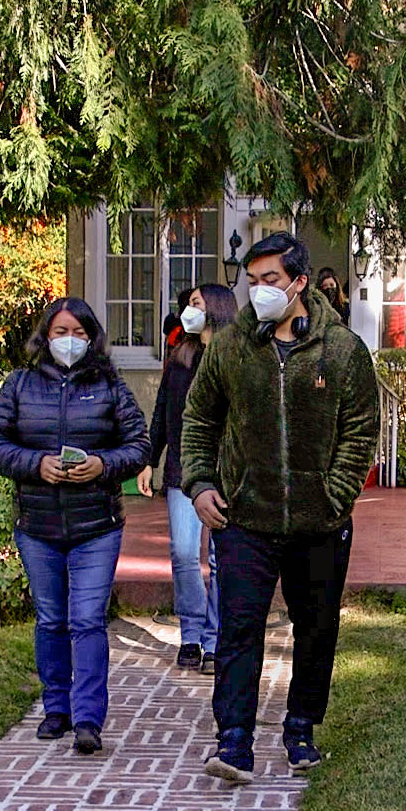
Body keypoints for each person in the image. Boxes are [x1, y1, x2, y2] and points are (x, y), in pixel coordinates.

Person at [180, 232, 379, 784]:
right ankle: (235, 742)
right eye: (253, 281)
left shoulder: (342, 352)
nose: (260, 291)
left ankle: (300, 728)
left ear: (299, 282)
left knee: (316, 630)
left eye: (271, 280)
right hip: (245, 519)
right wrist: (199, 484)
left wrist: (334, 493)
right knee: (239, 631)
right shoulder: (230, 348)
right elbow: (199, 421)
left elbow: (360, 431)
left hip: (321, 524)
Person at [0, 298, 149, 756]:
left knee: (87, 621)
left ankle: (89, 718)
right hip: (37, 524)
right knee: (51, 620)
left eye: (78, 331)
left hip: (97, 525)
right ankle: (57, 709)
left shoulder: (111, 386)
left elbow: (139, 444)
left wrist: (102, 465)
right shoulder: (20, 384)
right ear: (45, 337)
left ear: (91, 337)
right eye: (59, 331)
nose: (68, 340)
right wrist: (36, 464)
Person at [137, 283, 238, 675]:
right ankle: (192, 635)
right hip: (182, 472)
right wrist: (150, 459)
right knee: (183, 553)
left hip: (227, 475)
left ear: (215, 308)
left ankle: (214, 640)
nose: (188, 311)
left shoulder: (237, 358)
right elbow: (163, 409)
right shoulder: (180, 356)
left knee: (220, 559)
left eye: (195, 304)